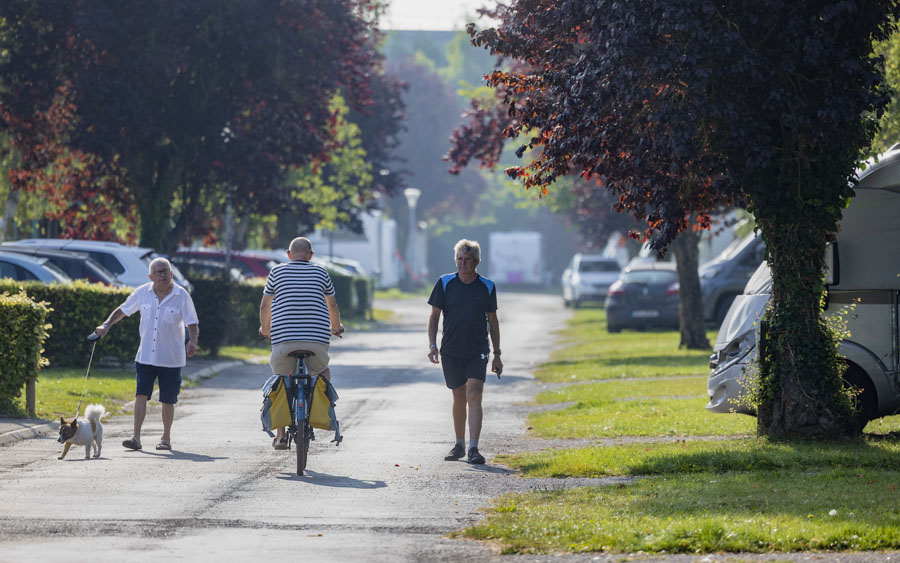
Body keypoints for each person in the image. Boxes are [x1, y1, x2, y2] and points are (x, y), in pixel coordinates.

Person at [95, 257, 199, 451]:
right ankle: (136, 438)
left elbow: (192, 322)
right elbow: (123, 310)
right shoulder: (142, 293)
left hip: (170, 358)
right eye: (158, 272)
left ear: (171, 273)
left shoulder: (181, 295)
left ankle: (166, 438)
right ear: (151, 276)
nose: (162, 275)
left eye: (165, 271)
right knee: (141, 395)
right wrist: (107, 324)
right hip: (145, 357)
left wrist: (192, 341)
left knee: (168, 399)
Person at [259, 237, 345, 449]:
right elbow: (332, 304)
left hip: (283, 341)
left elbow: (264, 305)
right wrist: (336, 326)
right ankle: (320, 408)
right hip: (316, 341)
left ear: (288, 255)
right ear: (311, 255)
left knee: (280, 379)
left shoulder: (277, 272)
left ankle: (280, 435)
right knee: (322, 371)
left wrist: (266, 329)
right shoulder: (321, 272)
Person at [427, 238, 503, 465]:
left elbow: (493, 321)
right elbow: (434, 317)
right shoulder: (444, 283)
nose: (462, 264)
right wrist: (432, 345)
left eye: (467, 260)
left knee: (474, 393)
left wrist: (497, 353)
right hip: (450, 349)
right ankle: (459, 444)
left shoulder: (487, 287)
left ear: (477, 262)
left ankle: (473, 448)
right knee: (458, 395)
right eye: (459, 259)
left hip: (478, 349)